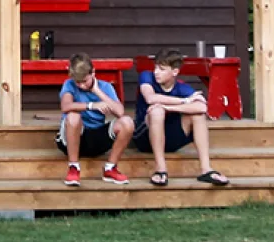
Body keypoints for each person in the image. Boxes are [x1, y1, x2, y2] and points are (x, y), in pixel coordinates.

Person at [134, 48, 230, 187]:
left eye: (161, 69)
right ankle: (160, 170)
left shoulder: (182, 88)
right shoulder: (147, 77)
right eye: (155, 67)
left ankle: (206, 169)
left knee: (197, 116)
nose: (156, 72)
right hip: (144, 138)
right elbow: (150, 98)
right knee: (157, 111)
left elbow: (202, 107)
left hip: (170, 140)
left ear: (174, 72)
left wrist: (169, 107)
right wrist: (184, 101)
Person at [58, 53, 134, 186]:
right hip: (73, 137)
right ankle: (73, 168)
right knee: (73, 115)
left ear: (93, 72)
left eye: (84, 81)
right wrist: (92, 106)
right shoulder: (69, 85)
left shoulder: (105, 87)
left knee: (127, 122)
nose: (81, 86)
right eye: (78, 82)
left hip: (96, 137)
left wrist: (97, 91)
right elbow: (66, 106)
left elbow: (120, 112)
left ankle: (110, 169)